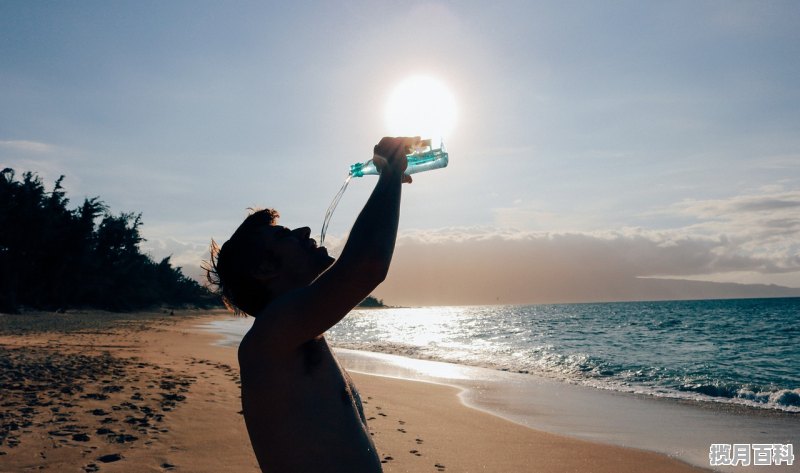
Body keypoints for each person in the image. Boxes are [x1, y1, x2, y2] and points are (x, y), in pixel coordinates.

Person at [205, 136, 419, 472]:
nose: (305, 230)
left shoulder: (297, 334)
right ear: (265, 269)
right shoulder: (271, 335)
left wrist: (390, 177)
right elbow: (367, 266)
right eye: (284, 234)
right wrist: (389, 173)